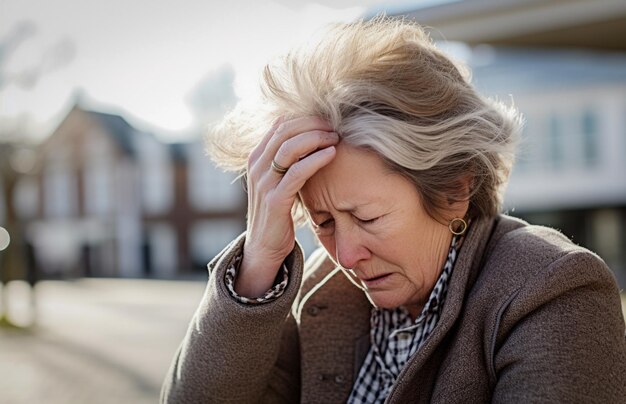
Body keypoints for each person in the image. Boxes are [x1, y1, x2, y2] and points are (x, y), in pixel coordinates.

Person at [161, 17, 626, 403]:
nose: (344, 255)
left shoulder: (553, 290)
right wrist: (257, 267)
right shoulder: (318, 297)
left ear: (453, 190)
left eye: (366, 218)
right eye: (323, 222)